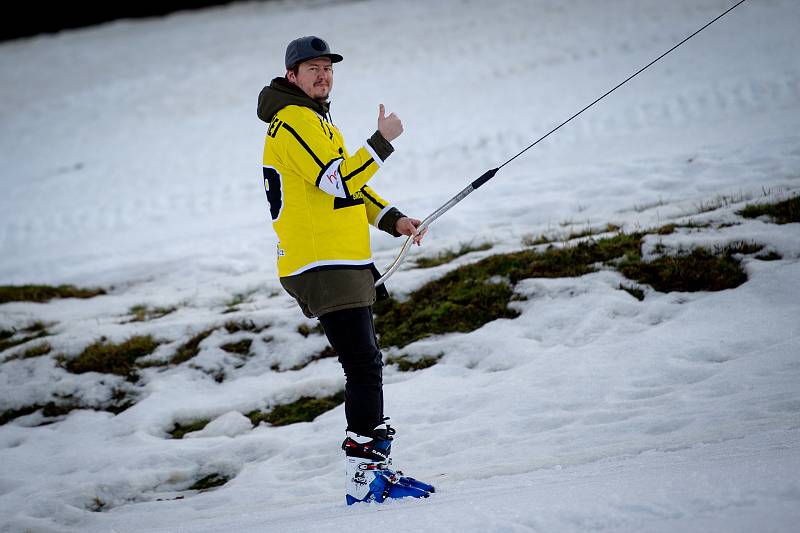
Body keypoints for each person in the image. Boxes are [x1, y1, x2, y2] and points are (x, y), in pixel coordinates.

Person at [257, 36, 434, 504]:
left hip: (342, 259)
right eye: (311, 68)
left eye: (328, 68)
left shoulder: (316, 121)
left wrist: (393, 219)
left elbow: (344, 192)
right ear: (291, 76)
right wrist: (382, 142)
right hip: (321, 263)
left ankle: (376, 470)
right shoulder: (293, 120)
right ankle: (365, 476)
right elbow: (337, 179)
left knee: (366, 361)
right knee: (362, 363)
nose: (322, 75)